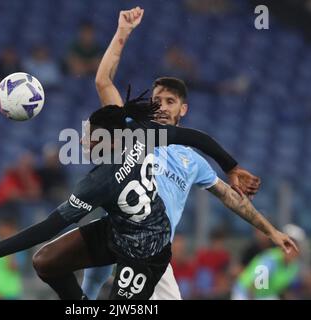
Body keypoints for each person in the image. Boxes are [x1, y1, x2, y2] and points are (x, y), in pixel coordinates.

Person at [0, 91, 297, 300]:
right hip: (117, 231)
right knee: (45, 262)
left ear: (111, 141)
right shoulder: (142, 135)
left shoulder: (98, 183)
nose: (83, 142)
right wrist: (231, 166)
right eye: (84, 134)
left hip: (148, 252)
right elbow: (196, 138)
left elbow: (47, 226)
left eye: (91, 137)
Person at [83, 7, 259, 300]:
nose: (162, 106)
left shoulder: (193, 160)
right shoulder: (130, 128)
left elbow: (230, 196)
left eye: (169, 101)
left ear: (183, 109)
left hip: (153, 247)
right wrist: (122, 33)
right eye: (156, 101)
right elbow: (103, 81)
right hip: (116, 229)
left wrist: (269, 229)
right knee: (86, 290)